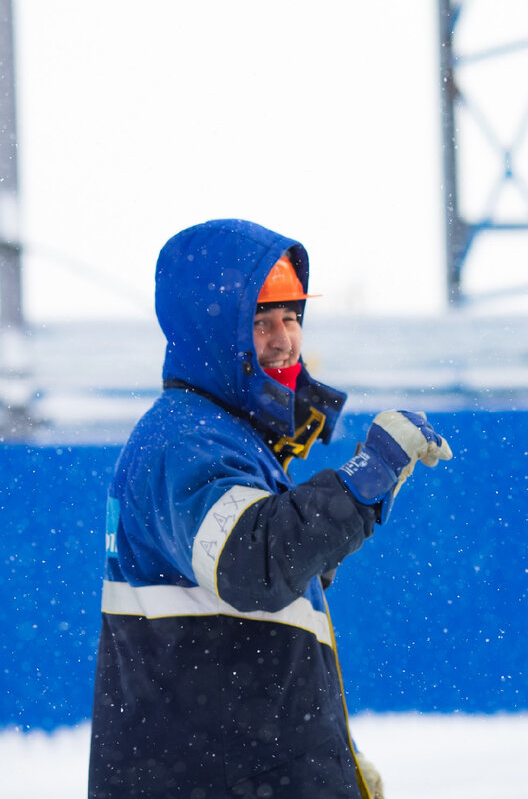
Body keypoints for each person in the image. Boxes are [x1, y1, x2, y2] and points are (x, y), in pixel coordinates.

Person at [88, 219, 452, 798]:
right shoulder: (186, 441)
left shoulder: (225, 440)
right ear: (210, 333)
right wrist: (364, 479)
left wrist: (335, 762)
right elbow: (251, 561)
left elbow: (263, 611)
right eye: (259, 322)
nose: (283, 338)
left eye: (292, 317)